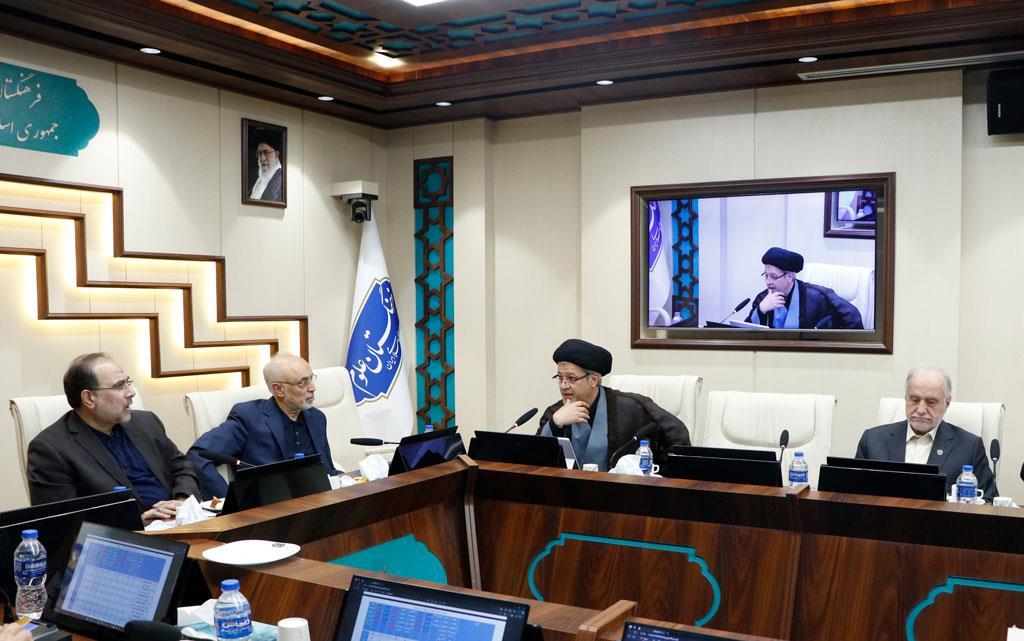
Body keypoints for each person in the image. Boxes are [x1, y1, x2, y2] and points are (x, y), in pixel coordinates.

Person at [27, 353, 199, 524]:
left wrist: (182, 502)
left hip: (182, 525)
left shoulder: (147, 422)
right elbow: (63, 524)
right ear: (89, 398)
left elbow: (182, 467)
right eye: (119, 386)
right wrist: (139, 522)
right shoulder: (51, 450)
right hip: (127, 537)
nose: (131, 392)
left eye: (128, 383)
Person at [187, 353, 339, 499]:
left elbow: (328, 471)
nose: (312, 388)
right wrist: (228, 499)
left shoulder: (317, 418)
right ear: (278, 389)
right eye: (303, 383)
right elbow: (198, 455)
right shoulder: (249, 418)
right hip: (270, 505)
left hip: (318, 501)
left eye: (311, 379)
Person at [537, 339, 690, 471]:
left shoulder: (632, 408)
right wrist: (554, 425)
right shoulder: (555, 413)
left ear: (593, 380)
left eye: (571, 378)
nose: (563, 386)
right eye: (560, 378)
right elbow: (536, 459)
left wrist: (658, 478)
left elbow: (678, 437)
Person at [855, 364, 997, 500]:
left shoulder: (969, 447)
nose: (921, 410)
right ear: (906, 398)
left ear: (947, 403)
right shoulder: (872, 440)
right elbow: (852, 494)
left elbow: (988, 501)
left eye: (931, 402)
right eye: (914, 400)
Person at [745, 247, 863, 329]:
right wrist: (761, 310)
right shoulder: (762, 298)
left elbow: (852, 316)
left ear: (789, 277)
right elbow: (746, 332)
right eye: (766, 275)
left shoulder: (817, 296)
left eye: (774, 276)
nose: (768, 282)